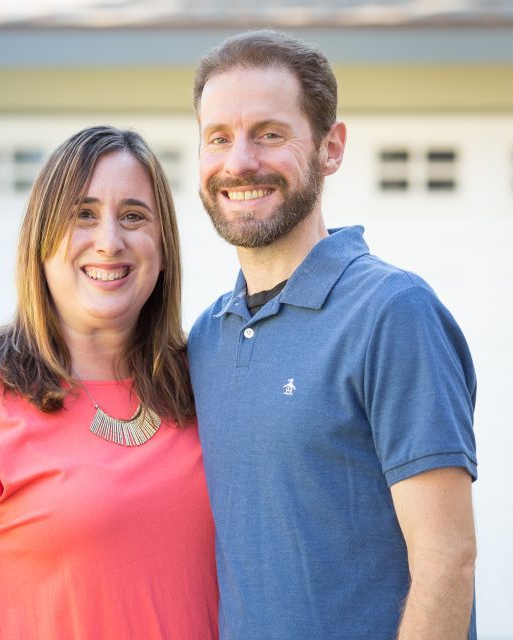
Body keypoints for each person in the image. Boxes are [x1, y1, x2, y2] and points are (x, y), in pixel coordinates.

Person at [187, 30, 477, 640]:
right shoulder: (206, 339)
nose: (239, 161)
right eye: (218, 138)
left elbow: (447, 562)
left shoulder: (392, 313)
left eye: (269, 133)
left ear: (331, 147)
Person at [0, 126, 219, 639]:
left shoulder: (206, 381)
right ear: (42, 239)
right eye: (83, 215)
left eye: (133, 216)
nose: (109, 241)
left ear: (163, 244)